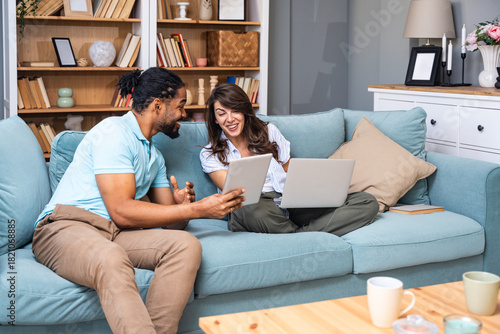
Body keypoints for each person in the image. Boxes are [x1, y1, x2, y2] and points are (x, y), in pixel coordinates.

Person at [32, 68, 245, 334]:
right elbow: (121, 210)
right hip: (64, 227)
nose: (183, 114)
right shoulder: (114, 132)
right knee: (111, 258)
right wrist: (199, 208)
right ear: (158, 105)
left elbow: (171, 224)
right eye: (180, 106)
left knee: (185, 246)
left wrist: (182, 209)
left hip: (115, 232)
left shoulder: (154, 156)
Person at [200, 82, 378, 236]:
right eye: (222, 113)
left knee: (367, 202)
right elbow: (233, 192)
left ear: (245, 111)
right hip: (255, 206)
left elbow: (288, 168)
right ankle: (303, 235)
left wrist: (313, 188)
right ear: (215, 119)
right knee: (246, 206)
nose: (230, 119)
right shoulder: (210, 154)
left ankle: (297, 236)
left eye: (235, 111)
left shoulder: (268, 131)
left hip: (287, 202)